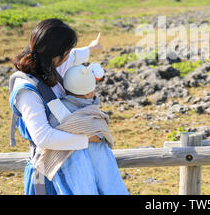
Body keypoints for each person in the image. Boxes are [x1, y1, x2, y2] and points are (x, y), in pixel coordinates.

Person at [8, 18, 125, 195]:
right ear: (55, 55)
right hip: (48, 170)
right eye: (67, 51)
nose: (70, 56)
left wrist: (92, 48)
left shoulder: (51, 67)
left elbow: (75, 56)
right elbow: (43, 137)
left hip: (75, 164)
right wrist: (86, 139)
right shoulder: (27, 91)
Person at [35, 63, 129, 195]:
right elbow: (99, 136)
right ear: (89, 93)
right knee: (110, 185)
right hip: (101, 164)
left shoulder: (56, 113)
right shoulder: (93, 114)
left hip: (70, 166)